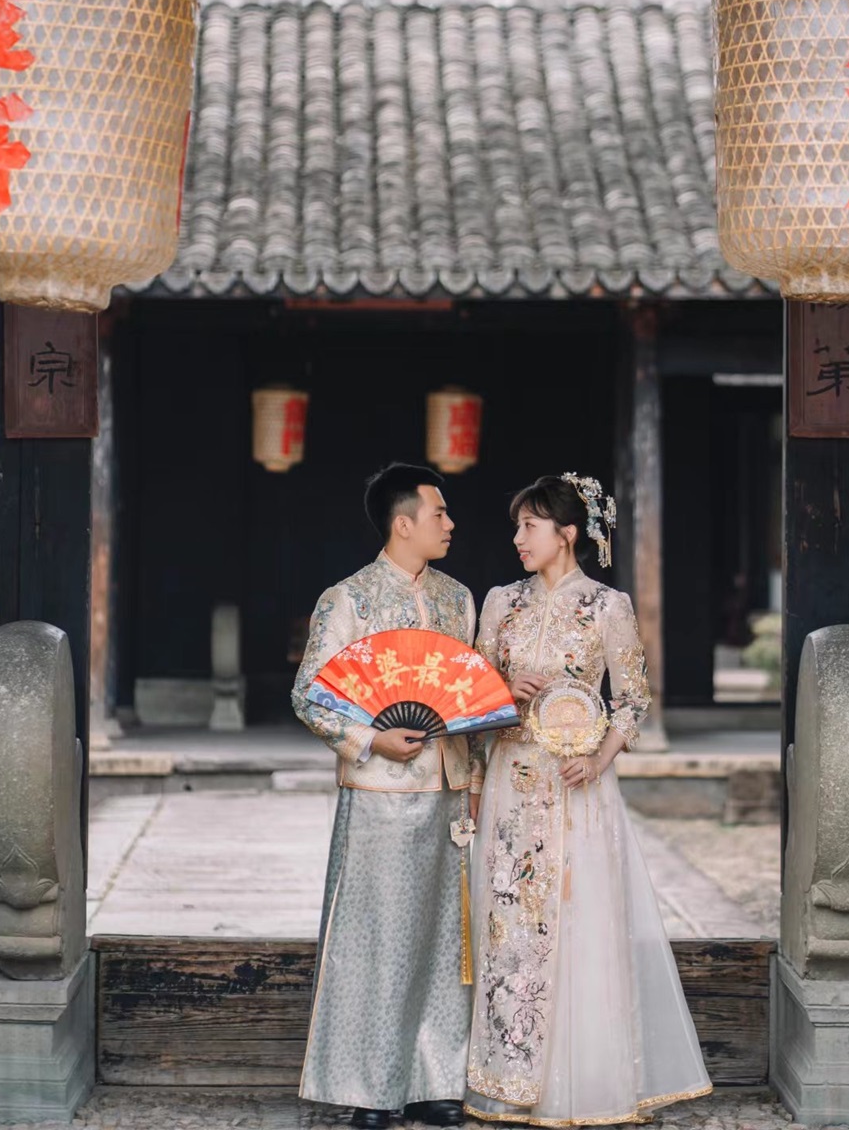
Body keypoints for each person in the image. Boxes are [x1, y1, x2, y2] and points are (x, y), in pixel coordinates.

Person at [465, 473, 712, 1125]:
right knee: (509, 924)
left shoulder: (608, 607)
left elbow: (631, 699)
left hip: (575, 787)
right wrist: (503, 693)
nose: (518, 539)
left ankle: (580, 1082)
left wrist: (598, 759)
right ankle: (509, 1077)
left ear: (567, 534)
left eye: (530, 526)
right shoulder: (499, 603)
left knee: (579, 922)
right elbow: (473, 697)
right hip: (510, 781)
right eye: (517, 527)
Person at [291, 463, 483, 1130]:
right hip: (379, 794)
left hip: (449, 792)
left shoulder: (460, 600)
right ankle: (370, 1089)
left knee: (444, 942)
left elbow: (470, 696)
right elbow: (310, 695)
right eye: (439, 513)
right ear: (404, 524)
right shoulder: (348, 600)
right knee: (377, 940)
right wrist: (371, 738)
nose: (450, 524)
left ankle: (437, 1083)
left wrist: (474, 780)